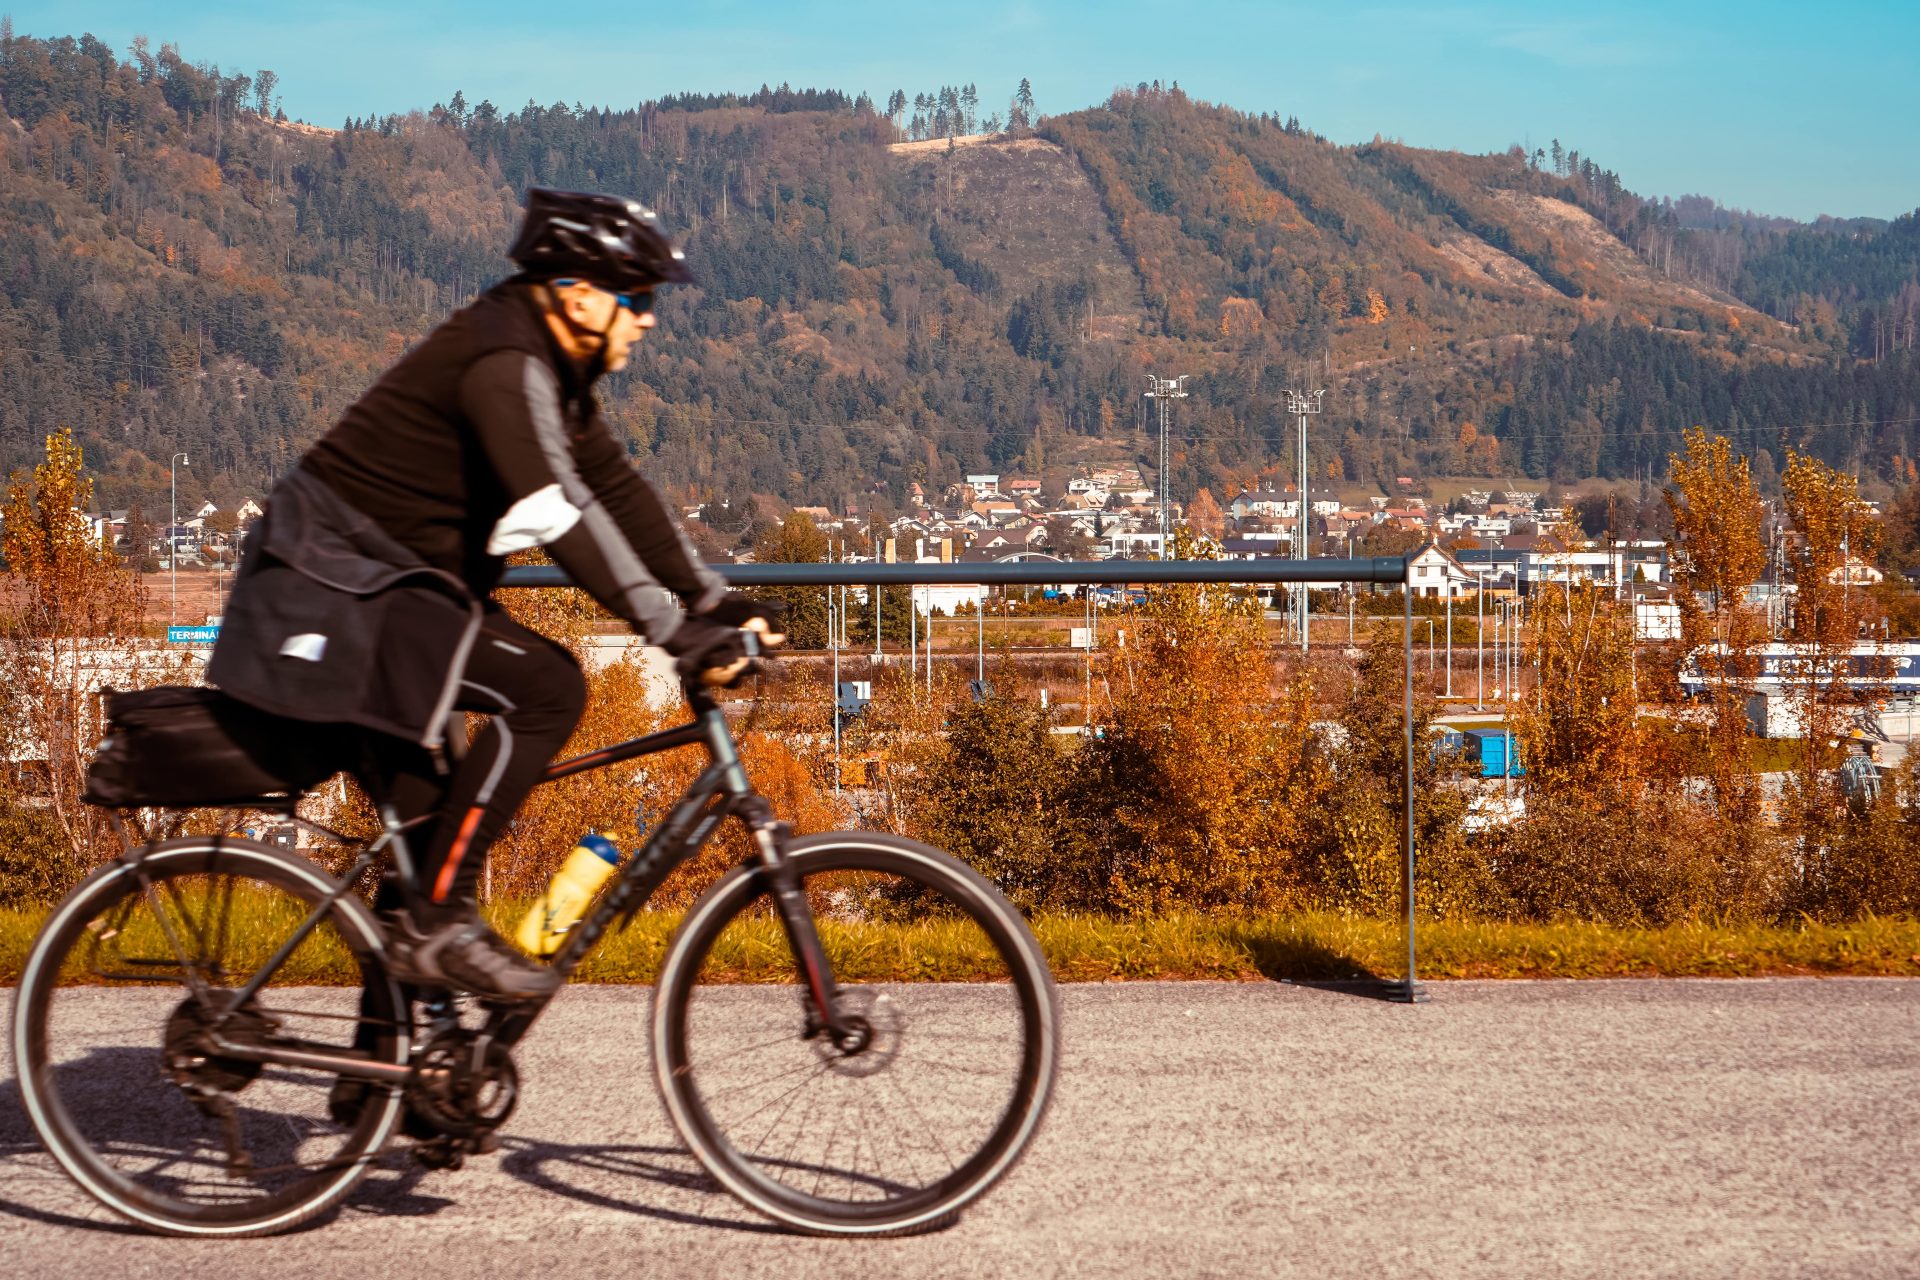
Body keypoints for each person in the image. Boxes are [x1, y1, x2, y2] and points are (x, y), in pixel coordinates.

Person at [210, 188, 781, 1003]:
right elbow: (557, 512)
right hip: (337, 587)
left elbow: (613, 486)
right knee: (546, 687)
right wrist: (671, 630)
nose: (650, 318)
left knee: (429, 828)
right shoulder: (504, 364)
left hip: (397, 590)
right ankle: (440, 923)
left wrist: (708, 599)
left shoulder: (549, 362)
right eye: (640, 298)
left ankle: (394, 1083)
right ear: (580, 296)